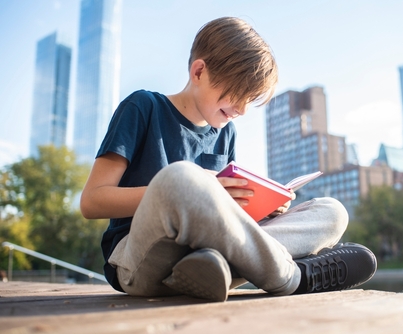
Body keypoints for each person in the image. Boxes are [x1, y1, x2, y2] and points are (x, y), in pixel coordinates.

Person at [80, 16, 377, 302]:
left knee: (331, 211)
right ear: (199, 72)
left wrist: (261, 208)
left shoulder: (226, 133)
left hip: (208, 257)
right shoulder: (143, 107)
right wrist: (196, 188)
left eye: (250, 100)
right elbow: (92, 201)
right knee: (181, 177)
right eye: (236, 95)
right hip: (139, 259)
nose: (243, 110)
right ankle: (294, 276)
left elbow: (226, 218)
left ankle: (214, 272)